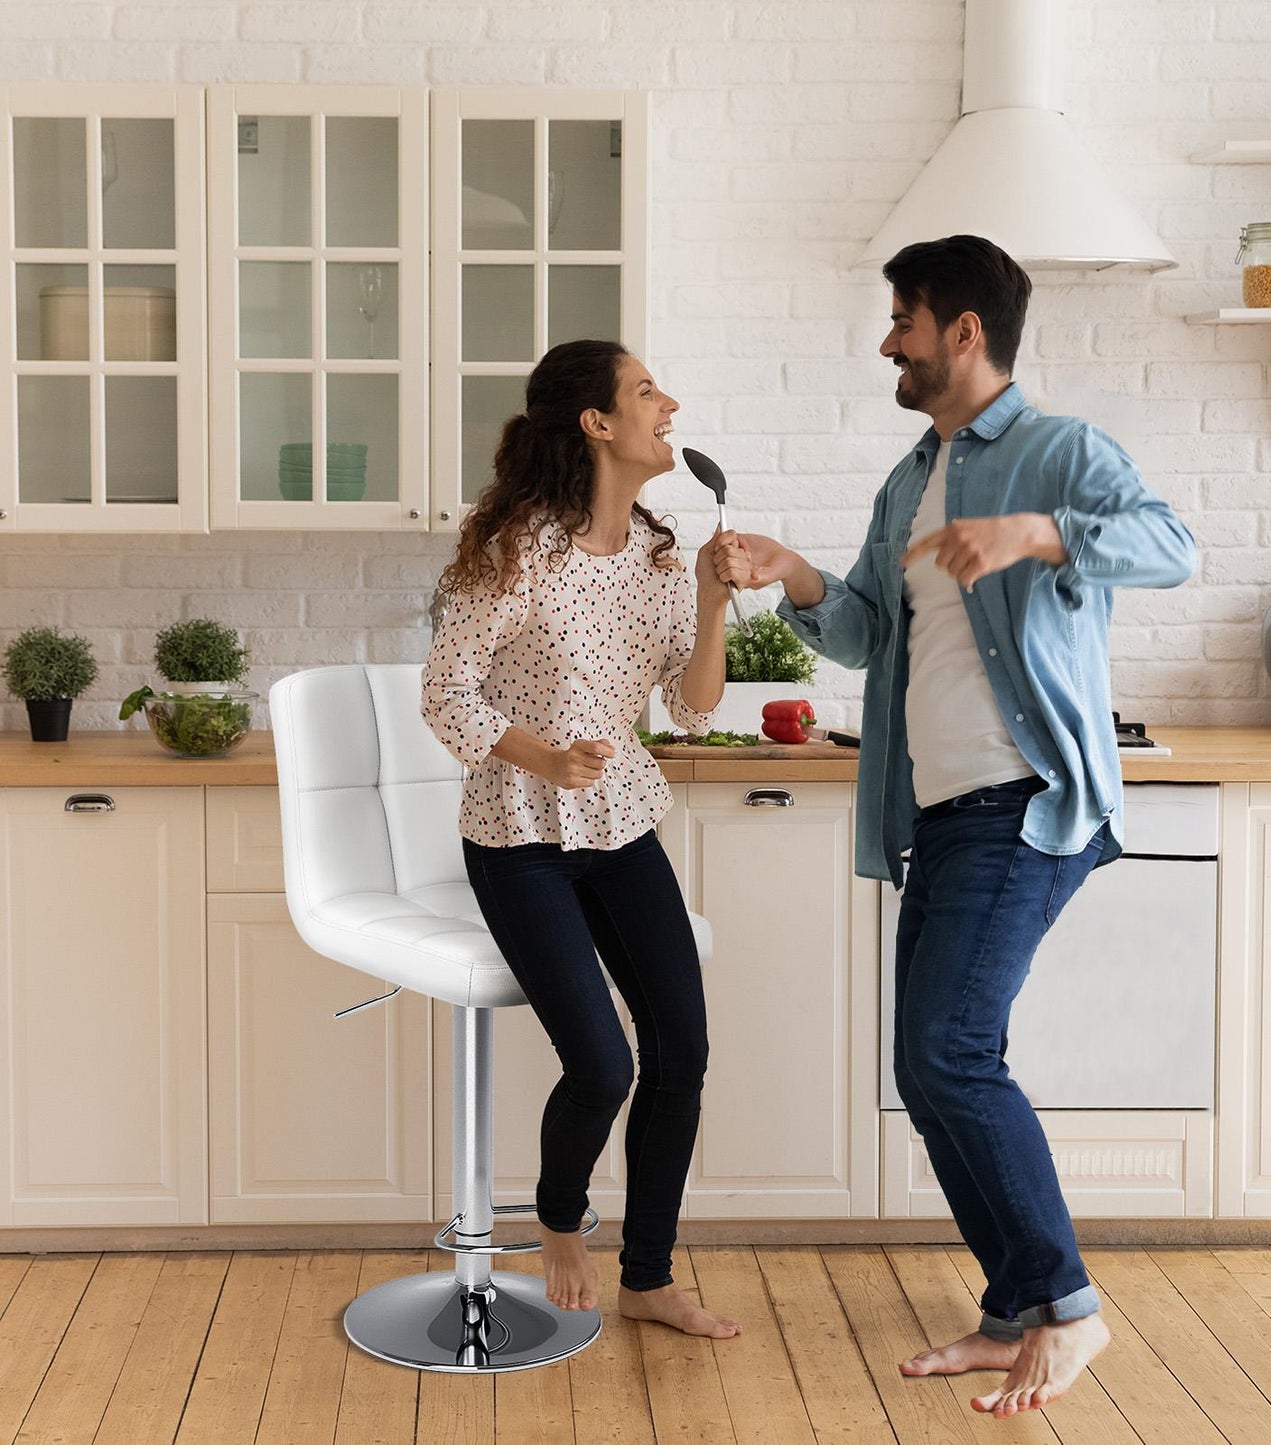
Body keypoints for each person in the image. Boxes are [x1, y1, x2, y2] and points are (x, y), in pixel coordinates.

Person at [722, 235, 1196, 1415]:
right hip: (934, 811)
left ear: (962, 331)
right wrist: (794, 575)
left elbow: (1172, 548)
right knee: (924, 1064)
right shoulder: (910, 475)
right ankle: (1009, 1311)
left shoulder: (1057, 449)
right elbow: (869, 633)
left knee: (948, 1051)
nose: (888, 340)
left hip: (1021, 800)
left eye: (903, 319)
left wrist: (1037, 532)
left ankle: (1069, 1306)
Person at [421, 338, 745, 1340]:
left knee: (681, 1048)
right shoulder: (516, 546)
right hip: (516, 833)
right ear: (597, 424)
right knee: (603, 1063)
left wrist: (709, 595)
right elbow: (443, 694)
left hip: (621, 823)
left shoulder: (655, 550)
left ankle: (647, 1275)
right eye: (647, 388)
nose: (669, 400)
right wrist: (540, 755)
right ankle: (559, 1217)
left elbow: (690, 709)